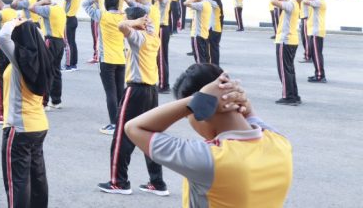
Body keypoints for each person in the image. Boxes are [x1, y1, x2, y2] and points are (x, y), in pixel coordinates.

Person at [125, 64, 293, 207]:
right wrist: (233, 97)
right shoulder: (280, 142)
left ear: (201, 109)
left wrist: (195, 101)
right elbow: (249, 114)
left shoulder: (210, 159)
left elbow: (134, 127)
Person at [98, 6, 168, 196]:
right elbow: (138, 20)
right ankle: (157, 182)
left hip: (136, 90)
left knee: (122, 136)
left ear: (135, 22)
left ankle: (119, 182)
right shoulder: (154, 36)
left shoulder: (138, 38)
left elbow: (122, 26)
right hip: (151, 91)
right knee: (150, 137)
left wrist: (133, 22)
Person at [0, 18, 52, 208]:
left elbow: (2, 37)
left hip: (19, 128)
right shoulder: (43, 59)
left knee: (17, 183)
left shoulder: (21, 60)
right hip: (38, 125)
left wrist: (15, 21)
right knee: (37, 179)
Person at [84, 0, 126, 136]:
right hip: (121, 58)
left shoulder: (102, 15)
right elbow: (139, 9)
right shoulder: (124, 16)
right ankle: (122, 121)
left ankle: (114, 124)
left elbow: (85, 4)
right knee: (120, 90)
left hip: (107, 59)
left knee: (111, 92)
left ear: (106, 4)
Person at [30, 0, 66, 109]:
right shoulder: (60, 9)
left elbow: (31, 7)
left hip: (50, 41)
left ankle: (44, 103)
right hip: (60, 41)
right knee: (56, 71)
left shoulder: (47, 9)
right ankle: (56, 101)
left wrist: (42, 2)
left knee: (45, 71)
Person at [271, 0, 302, 105]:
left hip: (285, 41)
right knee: (289, 70)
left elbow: (273, 1)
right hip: (292, 40)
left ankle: (288, 97)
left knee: (284, 70)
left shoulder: (291, 4)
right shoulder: (295, 4)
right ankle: (294, 95)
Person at [55, 0, 89, 67]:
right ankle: (73, 63)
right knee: (72, 42)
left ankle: (69, 64)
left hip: (69, 20)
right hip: (73, 19)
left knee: (67, 43)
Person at [303, 0, 327, 83]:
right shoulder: (317, 2)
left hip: (316, 32)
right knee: (315, 54)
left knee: (317, 55)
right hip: (314, 31)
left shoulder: (319, 2)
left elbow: (305, 1)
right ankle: (318, 73)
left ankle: (320, 76)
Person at [183, 0, 211, 64]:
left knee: (200, 61)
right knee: (206, 59)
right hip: (204, 35)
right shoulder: (207, 3)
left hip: (197, 35)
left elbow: (185, 3)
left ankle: (201, 75)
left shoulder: (200, 5)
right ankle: (207, 75)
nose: (191, 0)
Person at [155, 0, 172, 93]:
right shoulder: (160, 0)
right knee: (160, 57)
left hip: (162, 28)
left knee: (161, 58)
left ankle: (163, 85)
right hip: (160, 28)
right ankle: (162, 83)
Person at [206, 0, 224, 66]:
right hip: (217, 29)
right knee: (215, 48)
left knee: (213, 48)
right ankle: (215, 63)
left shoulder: (215, 4)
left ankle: (214, 64)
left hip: (214, 29)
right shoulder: (218, 4)